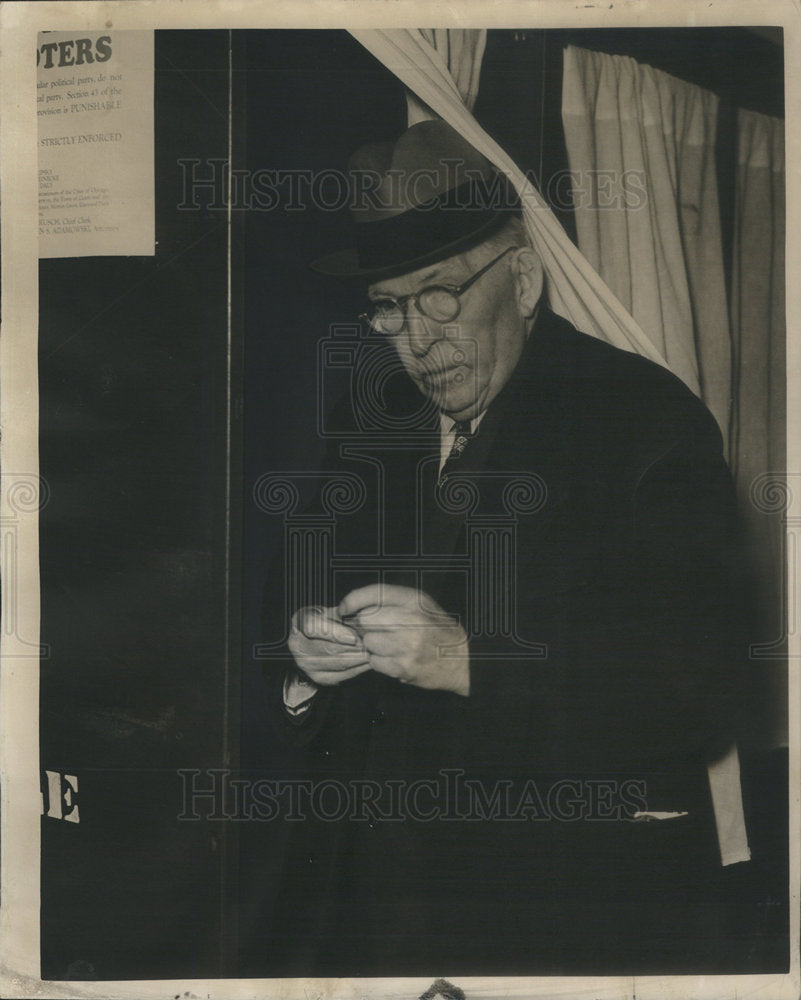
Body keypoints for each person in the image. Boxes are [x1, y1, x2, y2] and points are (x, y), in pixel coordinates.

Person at [252, 120, 748, 976]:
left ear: (521, 281)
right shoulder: (378, 417)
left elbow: (696, 693)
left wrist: (467, 661)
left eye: (440, 294)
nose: (416, 340)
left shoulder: (644, 422)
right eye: (389, 306)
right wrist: (304, 662)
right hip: (380, 913)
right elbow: (289, 598)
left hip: (566, 917)